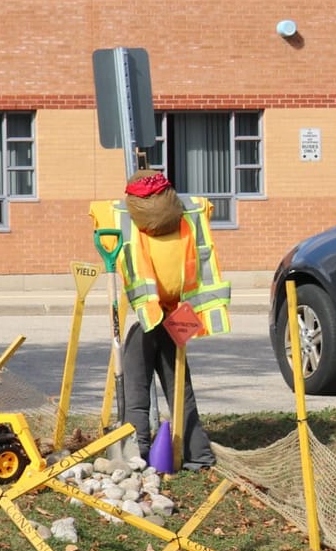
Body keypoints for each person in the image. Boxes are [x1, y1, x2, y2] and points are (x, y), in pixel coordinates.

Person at [91, 170, 231, 470]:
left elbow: (97, 209)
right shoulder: (191, 212)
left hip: (148, 315)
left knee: (135, 388)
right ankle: (198, 454)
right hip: (179, 312)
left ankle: (136, 452)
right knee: (181, 386)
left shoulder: (118, 216)